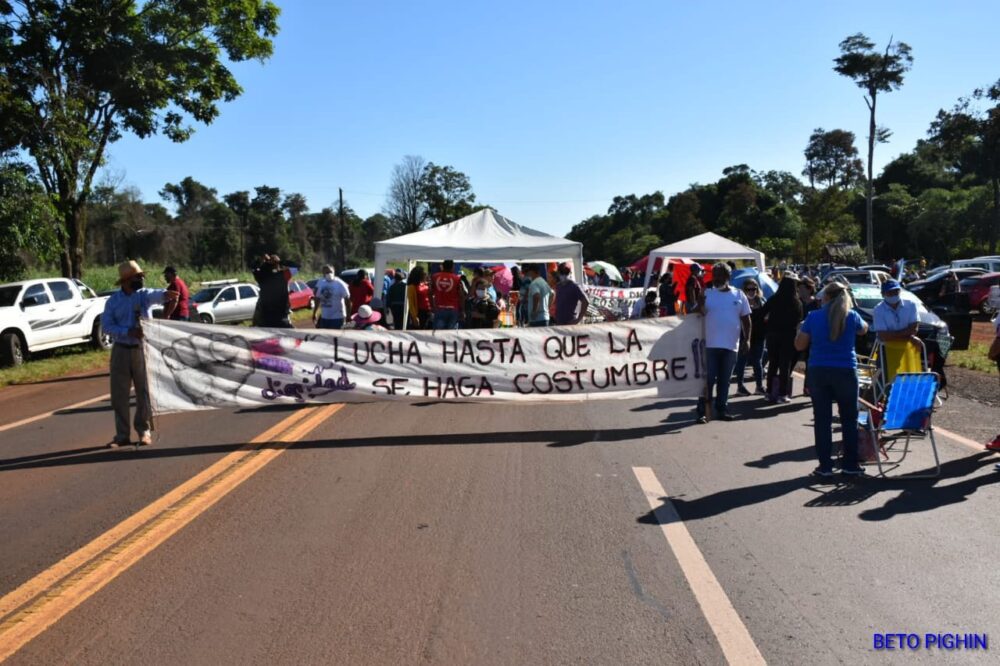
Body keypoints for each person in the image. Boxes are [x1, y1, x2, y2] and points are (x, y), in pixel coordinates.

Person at [795, 282, 869, 478]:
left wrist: (800, 329)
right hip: (846, 370)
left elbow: (799, 345)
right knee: (849, 419)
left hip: (819, 371)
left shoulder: (813, 317)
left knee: (822, 420)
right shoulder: (851, 316)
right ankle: (850, 464)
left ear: (826, 297)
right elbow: (864, 330)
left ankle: (825, 466)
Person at [101, 260, 177, 447]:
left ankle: (144, 431)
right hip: (121, 350)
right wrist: (127, 331)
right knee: (119, 395)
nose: (142, 279)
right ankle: (122, 435)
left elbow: (159, 295)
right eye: (138, 277)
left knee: (144, 392)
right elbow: (107, 326)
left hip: (142, 349)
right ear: (126, 280)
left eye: (142, 276)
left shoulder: (143, 296)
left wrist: (168, 296)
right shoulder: (113, 302)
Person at [695, 263, 751, 423]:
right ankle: (703, 411)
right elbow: (696, 315)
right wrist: (699, 303)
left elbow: (746, 320)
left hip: (731, 345)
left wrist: (747, 339)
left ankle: (722, 409)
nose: (716, 278)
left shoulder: (739, 295)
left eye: (720, 275)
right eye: (715, 275)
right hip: (709, 345)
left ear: (728, 277)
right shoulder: (707, 294)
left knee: (724, 381)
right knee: (708, 381)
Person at [761, 276, 803, 403]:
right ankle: (782, 393)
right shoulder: (796, 302)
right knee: (785, 364)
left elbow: (763, 312)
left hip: (772, 334)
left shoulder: (774, 299)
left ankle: (769, 392)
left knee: (773, 363)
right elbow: (799, 320)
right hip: (788, 335)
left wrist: (768, 322)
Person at [735, 278, 767, 395]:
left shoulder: (762, 301)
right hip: (744, 336)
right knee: (742, 361)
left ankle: (759, 386)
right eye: (748, 289)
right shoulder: (741, 302)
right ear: (744, 290)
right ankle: (740, 386)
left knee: (757, 362)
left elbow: (767, 315)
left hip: (759, 336)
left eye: (754, 288)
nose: (751, 291)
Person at [252, 254, 294, 328]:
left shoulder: (262, 277)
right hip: (281, 317)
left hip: (266, 317)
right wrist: (279, 261)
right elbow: (295, 267)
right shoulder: (282, 276)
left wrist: (264, 262)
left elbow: (254, 268)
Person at [312, 265, 351, 330]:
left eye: (330, 272)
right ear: (323, 274)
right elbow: (317, 299)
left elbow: (348, 301)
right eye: (326, 272)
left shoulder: (340, 284)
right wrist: (314, 313)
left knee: (335, 337)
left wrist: (348, 316)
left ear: (334, 272)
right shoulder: (321, 283)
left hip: (337, 318)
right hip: (324, 317)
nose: (329, 274)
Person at [431, 259, 466, 330]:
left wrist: (432, 306)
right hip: (453, 309)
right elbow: (461, 295)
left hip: (439, 308)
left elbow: (429, 293)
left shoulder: (434, 277)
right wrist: (462, 310)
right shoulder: (457, 278)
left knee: (438, 333)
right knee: (451, 334)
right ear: (452, 267)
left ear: (443, 266)